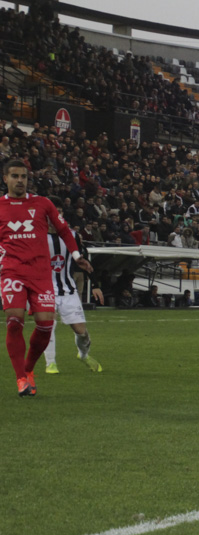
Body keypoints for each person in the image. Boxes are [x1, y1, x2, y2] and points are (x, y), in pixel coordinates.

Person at [1, 159, 91, 396]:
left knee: (45, 325)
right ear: (5, 179)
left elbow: (63, 229)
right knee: (14, 320)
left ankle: (29, 370)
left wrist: (76, 254)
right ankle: (21, 378)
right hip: (12, 271)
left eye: (23, 176)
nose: (20, 180)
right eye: (15, 176)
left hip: (41, 274)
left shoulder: (42, 203)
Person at [43, 222, 103, 374]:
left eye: (59, 213)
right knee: (48, 324)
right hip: (45, 288)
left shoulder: (73, 236)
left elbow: (83, 262)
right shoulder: (37, 235)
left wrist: (95, 284)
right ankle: (51, 363)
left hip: (68, 290)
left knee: (81, 332)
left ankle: (83, 355)